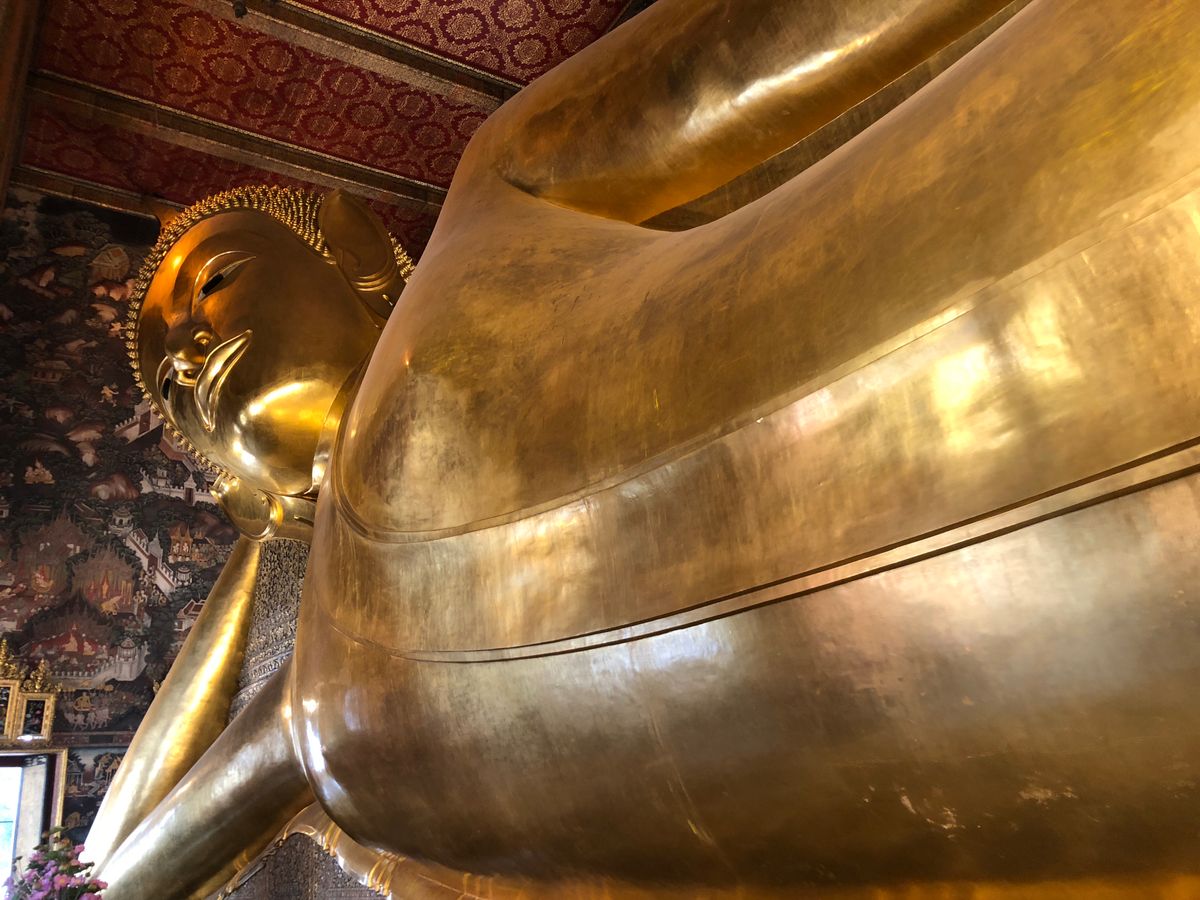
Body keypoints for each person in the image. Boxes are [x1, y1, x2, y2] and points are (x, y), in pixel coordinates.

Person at [95, 0, 1200, 896]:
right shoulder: (318, 704)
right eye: (172, 383)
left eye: (216, 280)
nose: (190, 352)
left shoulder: (488, 212)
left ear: (355, 256)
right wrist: (269, 533)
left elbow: (759, 52)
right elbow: (108, 871)